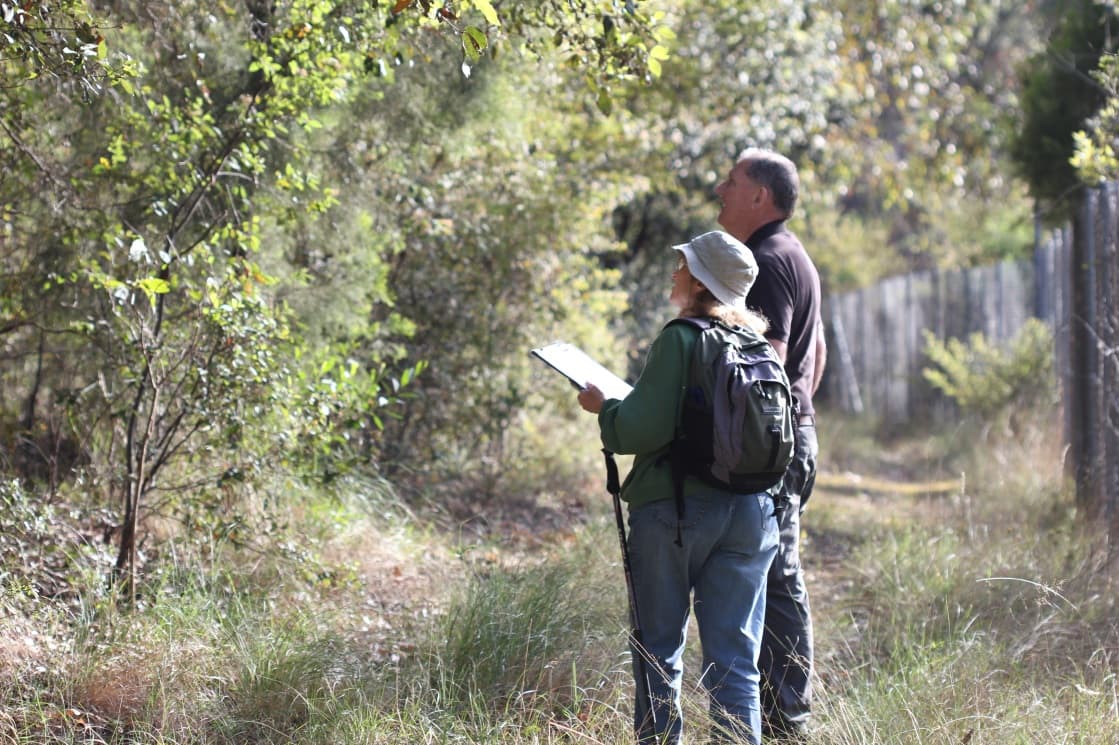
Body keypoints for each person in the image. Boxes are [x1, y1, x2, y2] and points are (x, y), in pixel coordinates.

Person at [578, 230, 780, 745]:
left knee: (658, 652)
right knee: (737, 662)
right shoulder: (757, 345)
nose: (675, 273)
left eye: (682, 266)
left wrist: (607, 410)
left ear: (700, 280)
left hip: (676, 512)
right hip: (751, 514)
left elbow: (638, 431)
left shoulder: (680, 337)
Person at [714, 148, 827, 739]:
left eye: (731, 183)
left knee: (777, 575)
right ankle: (772, 711)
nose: (719, 190)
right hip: (792, 433)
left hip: (775, 444)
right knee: (770, 570)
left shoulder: (767, 258)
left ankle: (787, 720)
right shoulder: (794, 255)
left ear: (760, 196)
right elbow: (819, 355)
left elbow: (769, 361)